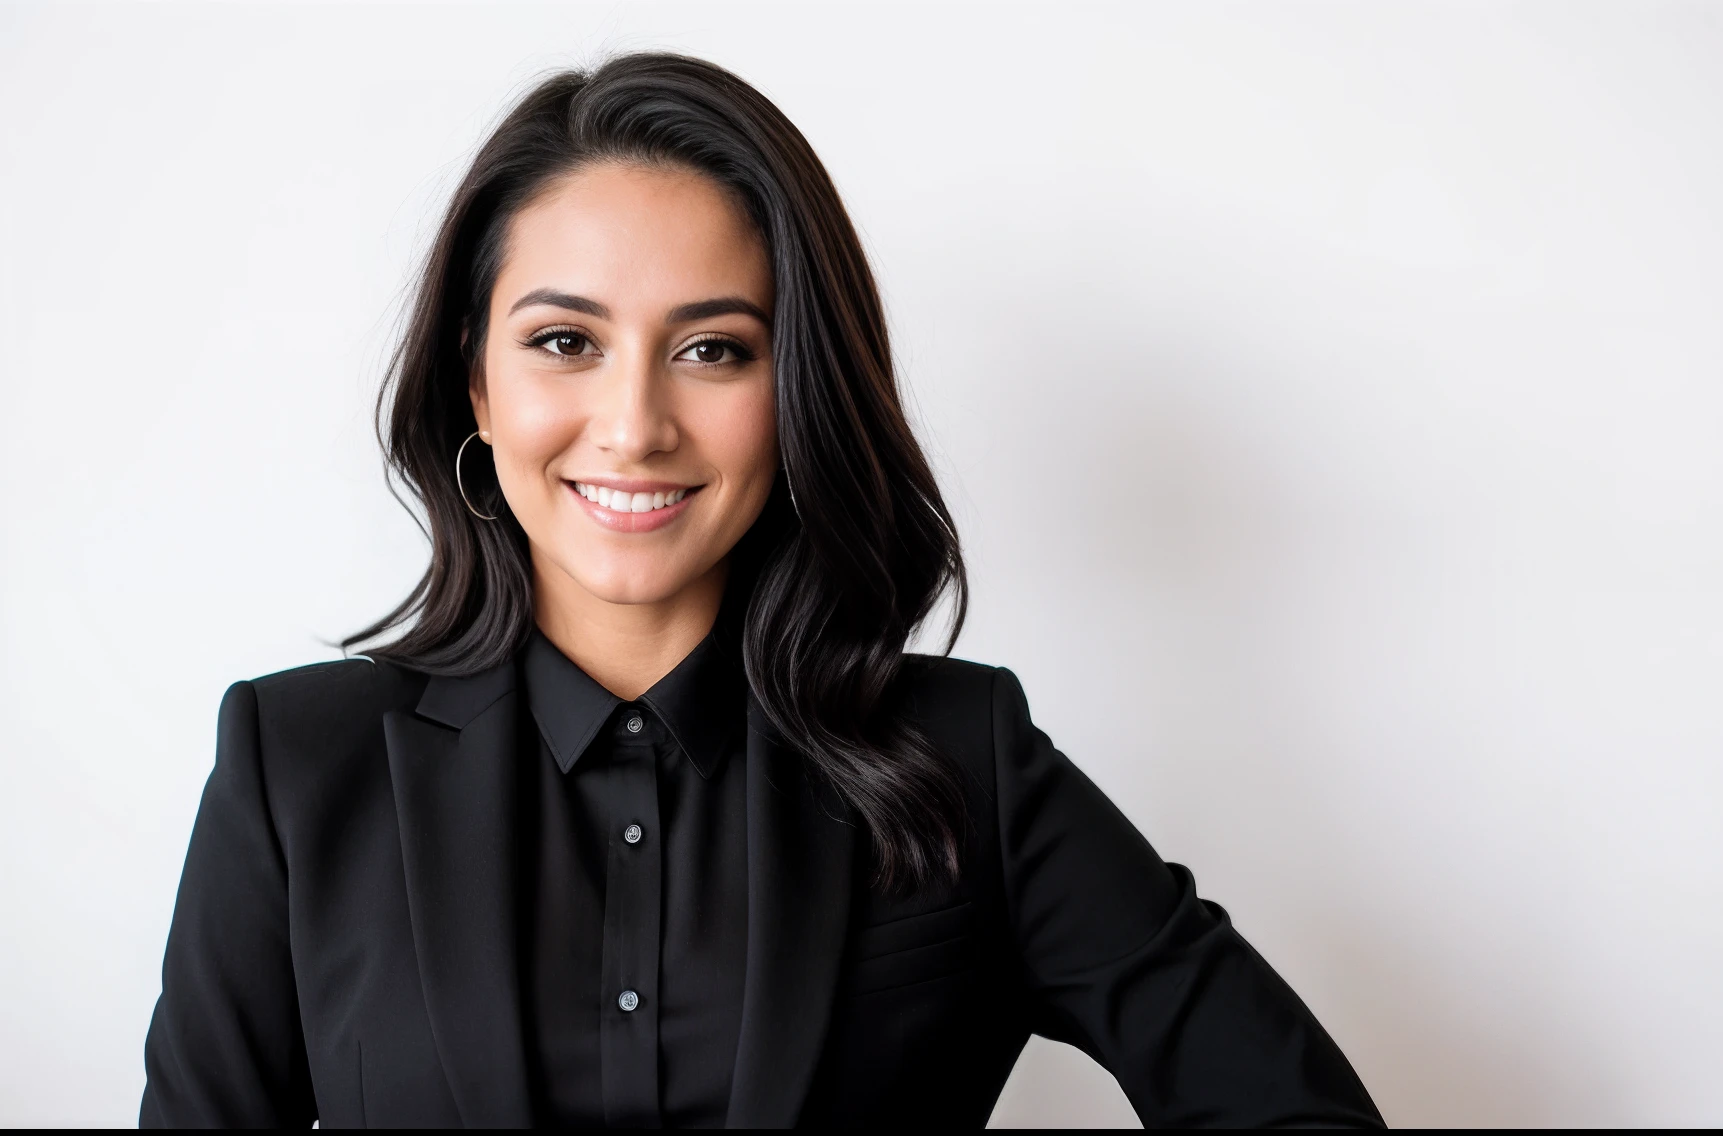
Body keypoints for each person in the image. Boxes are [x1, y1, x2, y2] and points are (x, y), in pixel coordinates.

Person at [139, 52, 1382, 1129]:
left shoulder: (964, 763)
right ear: (475, 383)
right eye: (564, 341)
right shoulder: (295, 768)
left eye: (712, 349)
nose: (631, 426)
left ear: (795, 396)